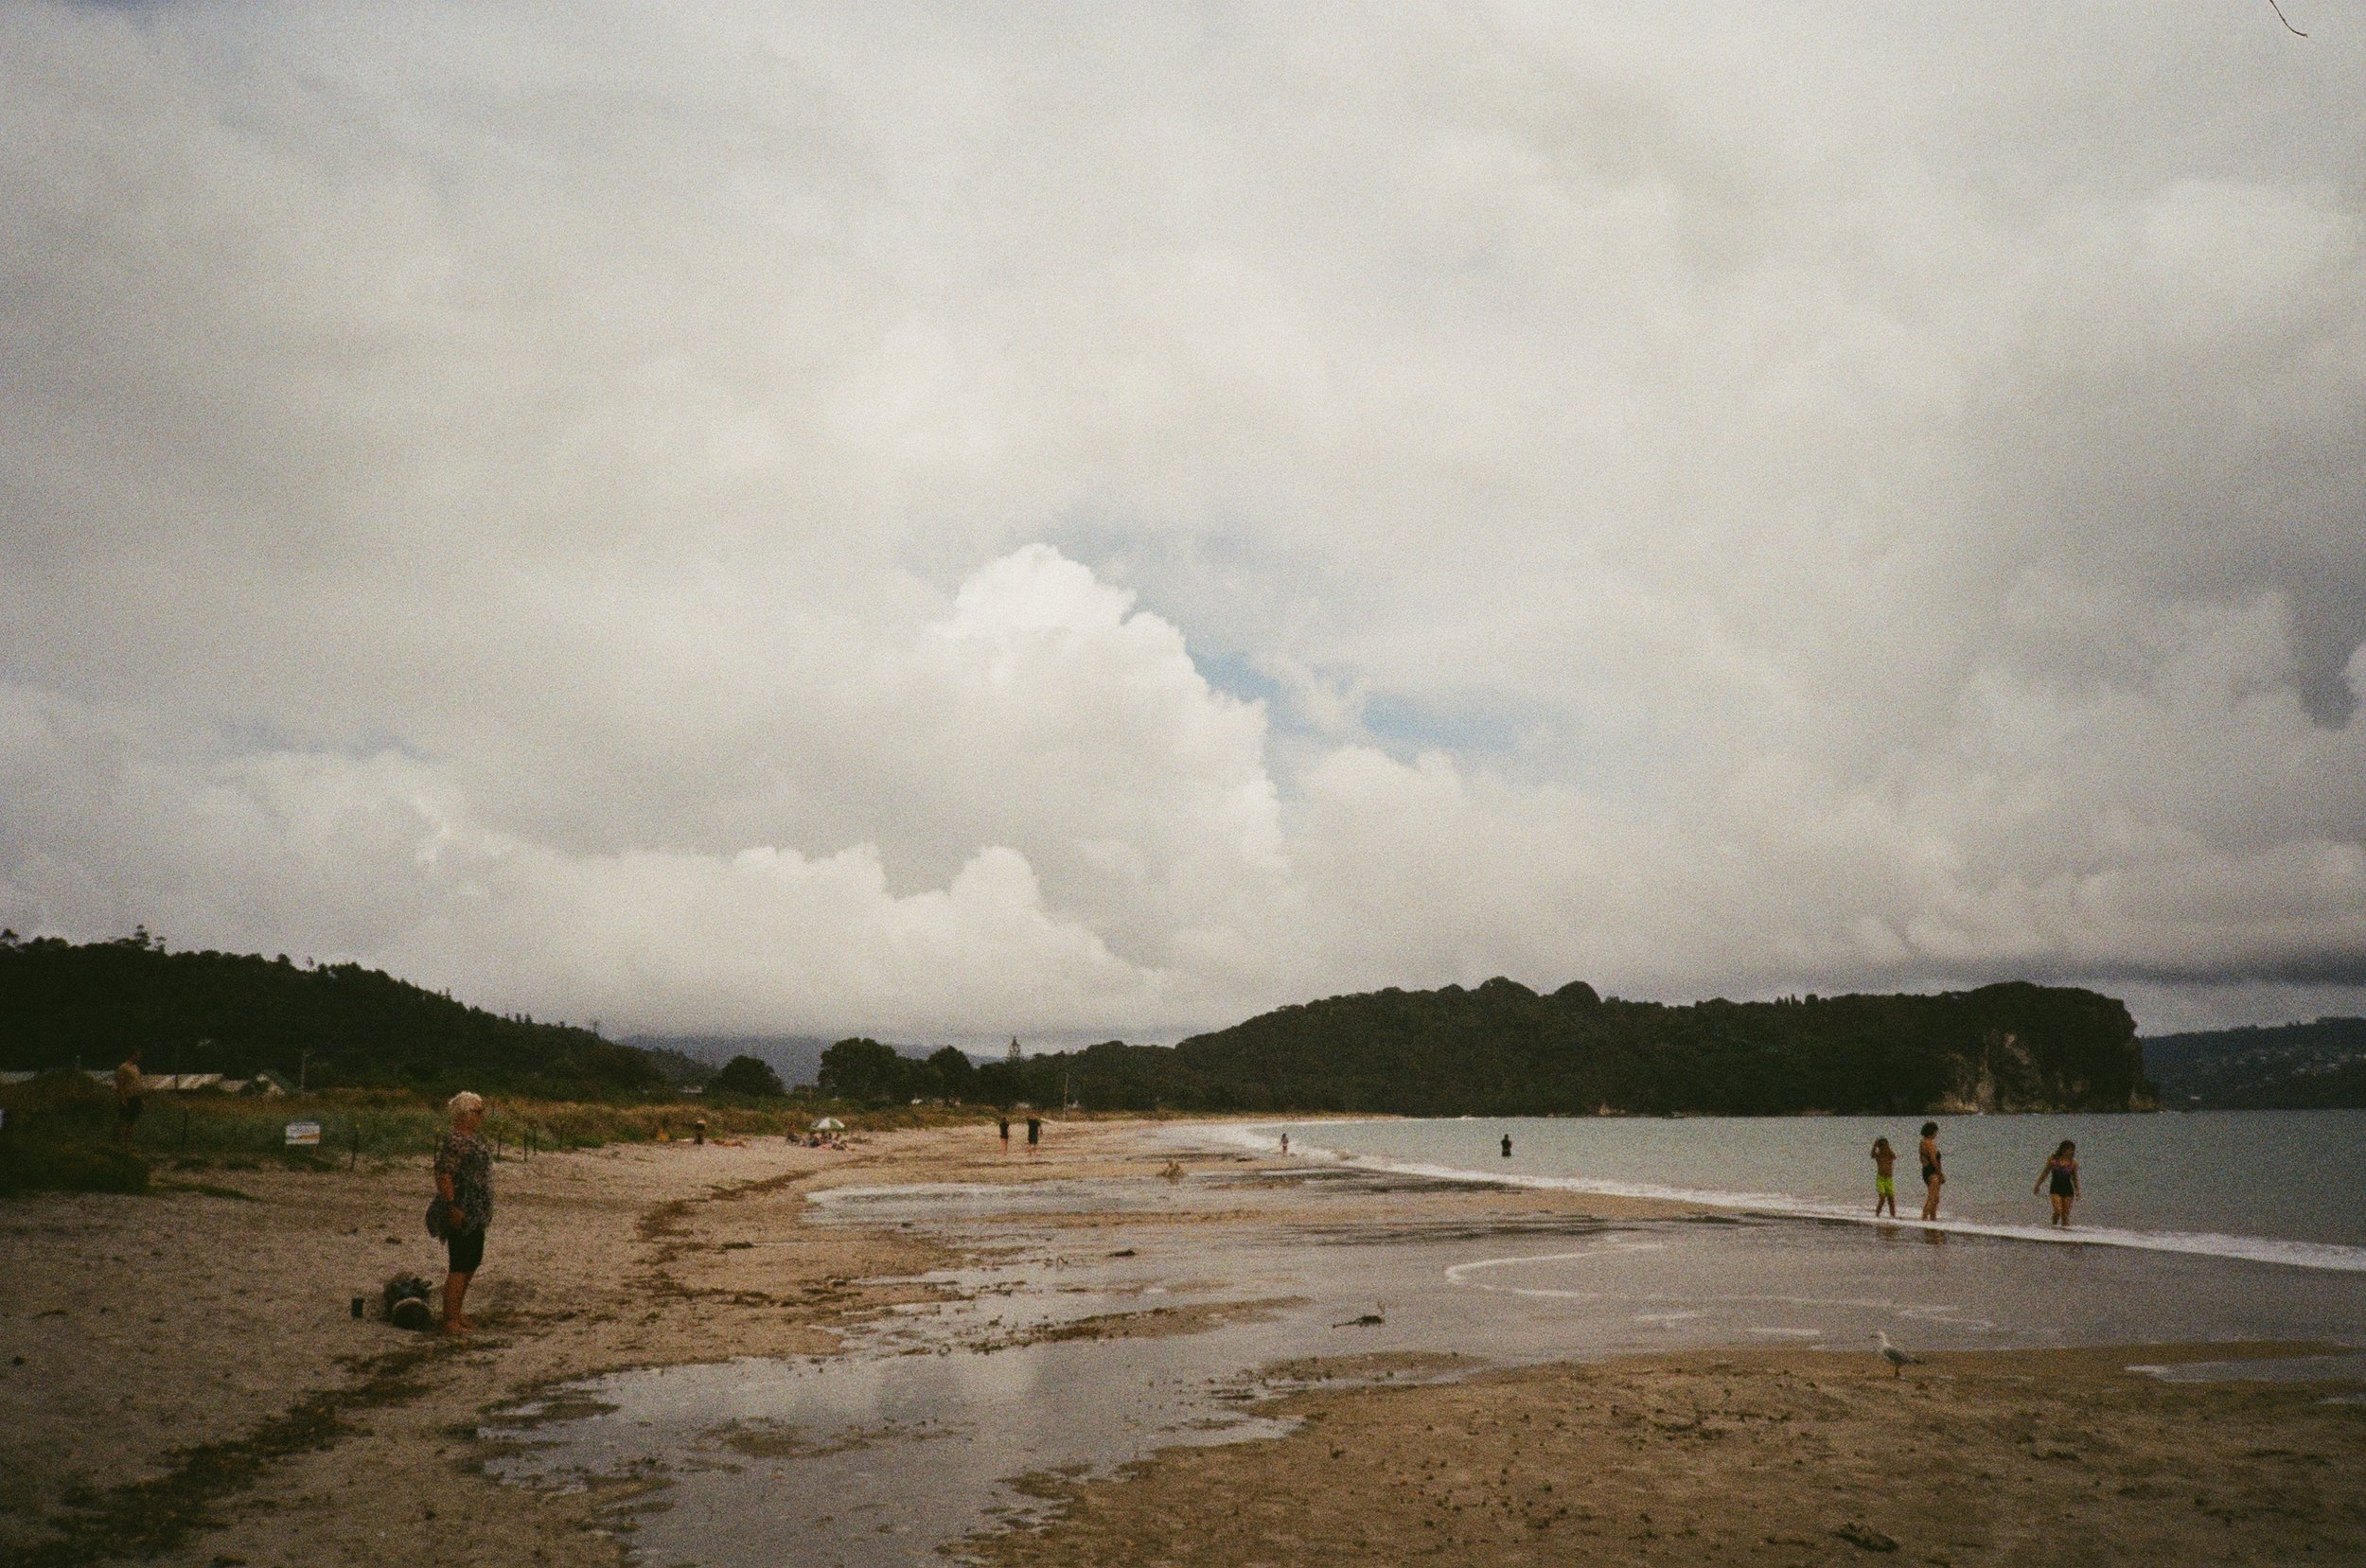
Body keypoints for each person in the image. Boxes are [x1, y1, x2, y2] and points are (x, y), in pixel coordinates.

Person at [433, 1091, 494, 1333]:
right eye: (477, 1111)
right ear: (464, 1113)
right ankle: (449, 1320)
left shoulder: (472, 1138)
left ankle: (456, 1313)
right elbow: (443, 1174)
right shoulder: (456, 1140)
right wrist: (452, 1205)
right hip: (462, 1207)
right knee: (459, 1264)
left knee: (471, 1262)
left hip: (476, 1210)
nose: (481, 1116)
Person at [2035, 1139, 2080, 1227]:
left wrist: (2077, 1191)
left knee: (2065, 1216)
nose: (2072, 1152)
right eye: (2070, 1150)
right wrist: (2037, 1185)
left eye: (2073, 1150)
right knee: (2058, 1211)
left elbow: (2075, 1178)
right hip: (2055, 1188)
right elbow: (2045, 1173)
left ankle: (2065, 1236)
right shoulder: (2053, 1160)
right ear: (2064, 1149)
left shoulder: (2073, 1163)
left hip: (2068, 1190)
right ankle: (2053, 1227)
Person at [113, 1049, 144, 1149]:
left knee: (132, 1121)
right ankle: (121, 1143)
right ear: (132, 1055)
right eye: (137, 1055)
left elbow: (138, 1082)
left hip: (135, 1096)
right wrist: (122, 1098)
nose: (138, 1057)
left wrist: (141, 1097)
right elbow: (120, 1084)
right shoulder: (123, 1068)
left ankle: (129, 1143)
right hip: (128, 1097)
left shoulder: (135, 1068)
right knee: (124, 1120)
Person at [1917, 1121, 1945, 1221]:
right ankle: (1924, 1218)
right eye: (1936, 1132)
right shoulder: (1930, 1143)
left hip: (1926, 1170)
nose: (1936, 1134)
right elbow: (1933, 1160)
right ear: (1932, 1132)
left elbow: (1922, 1159)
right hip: (1932, 1171)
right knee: (1933, 1198)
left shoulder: (1922, 1142)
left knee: (1935, 1198)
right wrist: (1940, 1174)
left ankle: (1933, 1218)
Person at [1870, 1136, 1898, 1218]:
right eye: (1883, 1147)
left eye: (1886, 1146)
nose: (1885, 1148)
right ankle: (1877, 1215)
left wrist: (1888, 1149)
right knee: (1882, 1198)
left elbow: (1894, 1157)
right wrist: (1874, 1145)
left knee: (1891, 1199)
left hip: (1889, 1179)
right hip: (1881, 1179)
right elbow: (1872, 1155)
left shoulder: (1890, 1154)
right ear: (1880, 1147)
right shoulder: (1878, 1155)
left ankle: (1893, 1216)